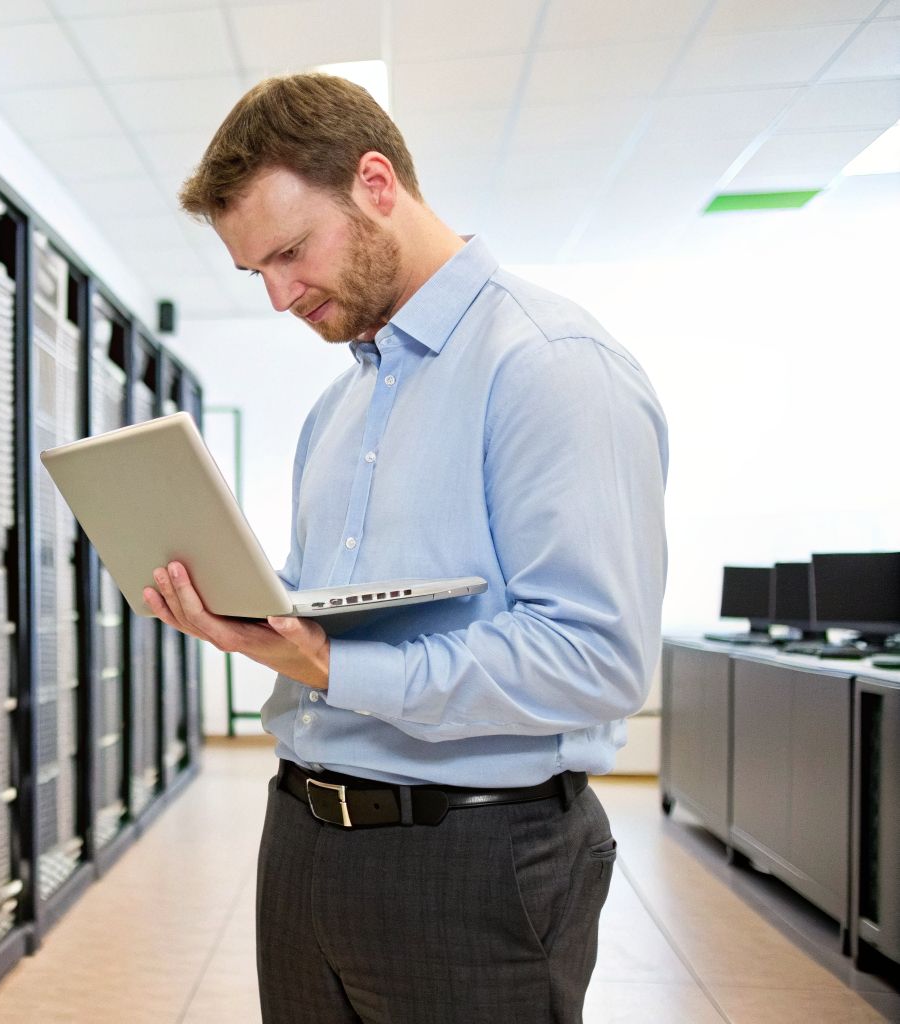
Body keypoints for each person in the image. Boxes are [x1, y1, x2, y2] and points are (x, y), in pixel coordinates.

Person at [145, 73, 669, 1023]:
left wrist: (334, 663)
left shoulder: (550, 367)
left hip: (473, 860)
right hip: (302, 844)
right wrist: (247, 616)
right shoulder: (335, 409)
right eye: (253, 272)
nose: (277, 296)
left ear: (376, 184)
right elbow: (322, 610)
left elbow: (596, 660)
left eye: (291, 252)